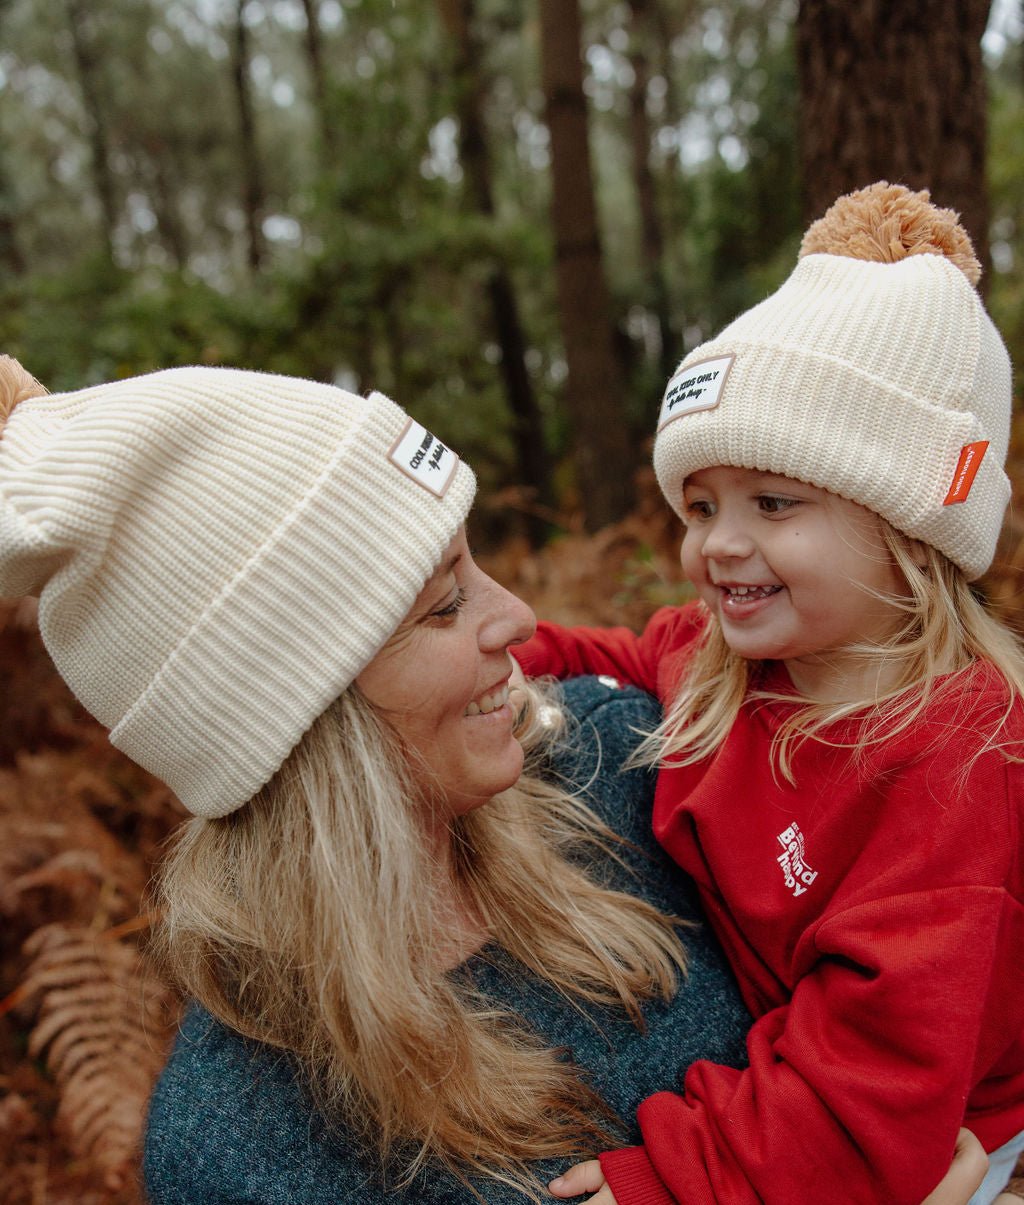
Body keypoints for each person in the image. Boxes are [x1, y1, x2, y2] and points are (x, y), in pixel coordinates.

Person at [0, 353, 989, 1204]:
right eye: (442, 604)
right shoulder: (244, 1146)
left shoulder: (622, 761)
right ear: (299, 720)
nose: (518, 614)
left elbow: (945, 973)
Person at [513, 183, 1024, 1205]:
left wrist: (675, 1178)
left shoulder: (960, 759)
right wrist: (455, 641)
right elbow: (582, 651)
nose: (717, 544)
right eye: (699, 504)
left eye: (774, 502)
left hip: (942, 1140)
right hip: (803, 1102)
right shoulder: (717, 661)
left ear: (908, 528)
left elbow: (873, 1079)